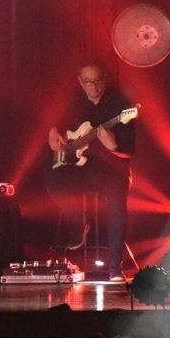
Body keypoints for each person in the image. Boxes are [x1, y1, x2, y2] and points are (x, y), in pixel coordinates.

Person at [44, 63, 136, 278]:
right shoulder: (75, 102)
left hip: (112, 172)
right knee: (53, 179)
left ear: (105, 79)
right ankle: (78, 226)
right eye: (87, 81)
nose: (92, 86)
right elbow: (56, 121)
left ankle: (115, 266)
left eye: (96, 80)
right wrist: (53, 131)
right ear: (80, 82)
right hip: (84, 169)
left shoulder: (120, 105)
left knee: (116, 204)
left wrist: (114, 146)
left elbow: (129, 149)